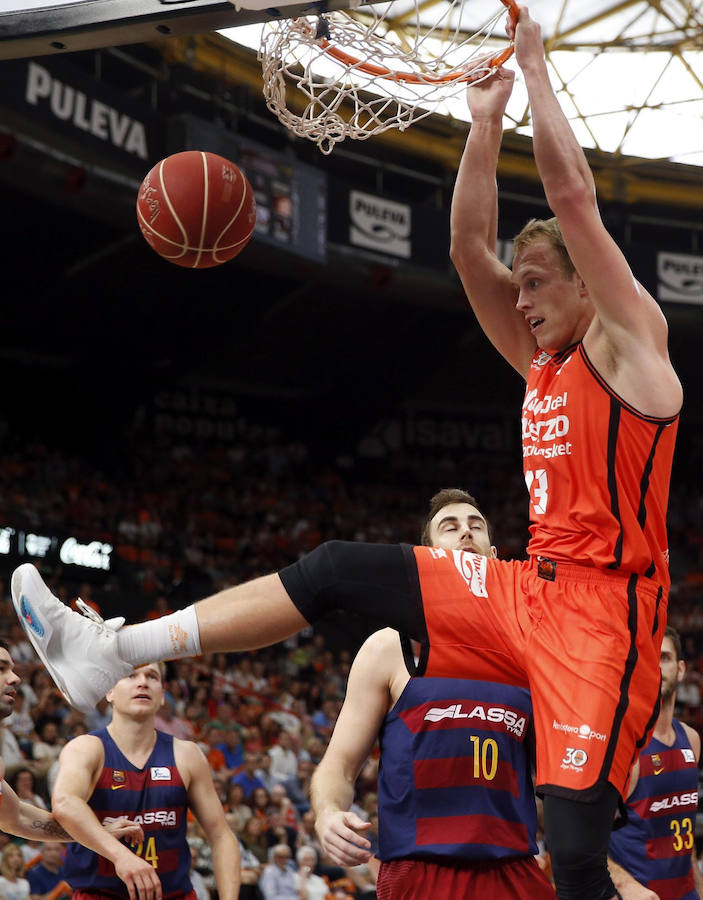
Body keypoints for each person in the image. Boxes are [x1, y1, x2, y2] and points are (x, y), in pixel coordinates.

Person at [9, 13, 683, 896]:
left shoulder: (633, 348)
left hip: (608, 615)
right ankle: (114, 647)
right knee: (333, 569)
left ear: (584, 284)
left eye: (532, 286)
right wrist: (483, 124)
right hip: (528, 589)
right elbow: (461, 251)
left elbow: (574, 201)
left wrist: (533, 70)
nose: (516, 304)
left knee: (577, 850)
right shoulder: (541, 365)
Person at [312, 489, 554, 899]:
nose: (466, 533)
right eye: (451, 527)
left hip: (514, 868)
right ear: (428, 554)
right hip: (422, 871)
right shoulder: (390, 647)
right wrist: (328, 813)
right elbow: (339, 764)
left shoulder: (532, 649)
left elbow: (555, 773)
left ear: (493, 555)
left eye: (476, 526)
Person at [51, 662, 241, 900]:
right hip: (100, 894)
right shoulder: (87, 748)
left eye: (152, 676)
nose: (142, 682)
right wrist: (122, 856)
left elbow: (221, 835)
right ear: (109, 692)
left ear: (162, 695)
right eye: (130, 675)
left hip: (174, 894)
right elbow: (65, 803)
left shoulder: (187, 754)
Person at [608, 627, 703, 900]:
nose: (657, 666)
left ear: (681, 669)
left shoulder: (692, 740)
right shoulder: (624, 746)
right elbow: (586, 844)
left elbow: (682, 828)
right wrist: (627, 887)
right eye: (649, 658)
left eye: (665, 657)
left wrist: (698, 884)